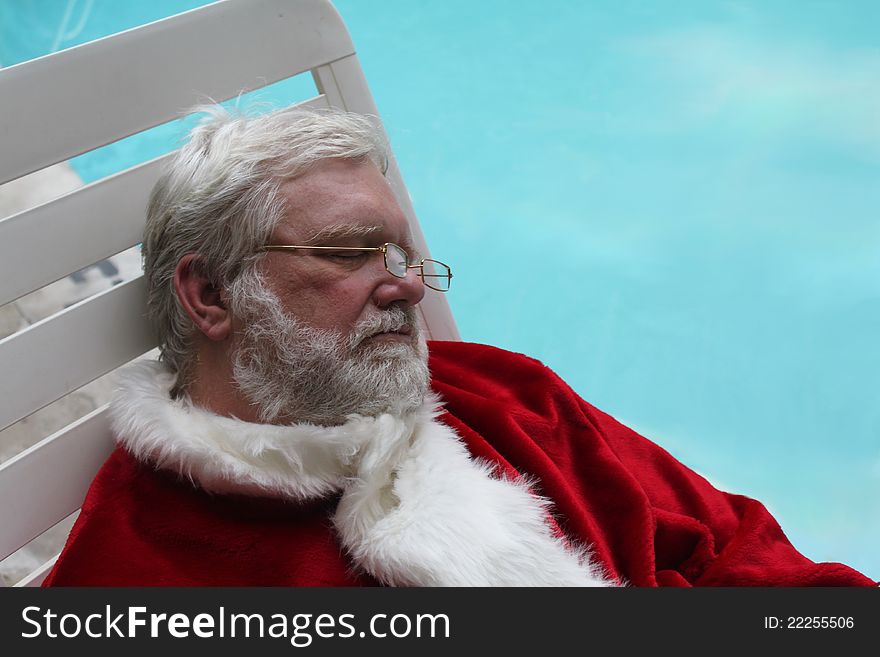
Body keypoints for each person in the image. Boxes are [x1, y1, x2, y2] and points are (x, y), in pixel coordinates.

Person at [44, 105, 875, 587]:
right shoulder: (140, 568)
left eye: (399, 253)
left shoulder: (503, 393)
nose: (405, 284)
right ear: (211, 293)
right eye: (346, 252)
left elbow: (734, 547)